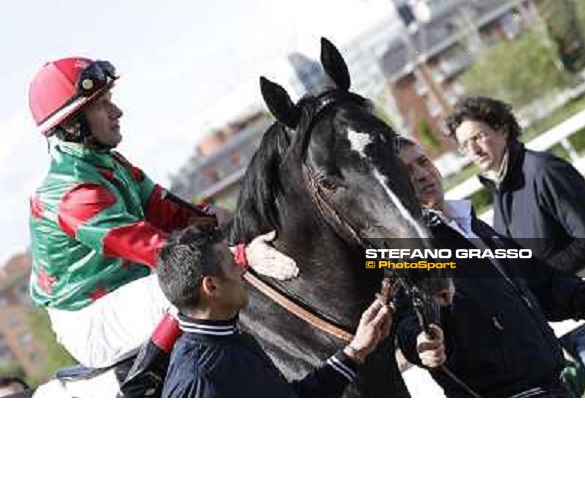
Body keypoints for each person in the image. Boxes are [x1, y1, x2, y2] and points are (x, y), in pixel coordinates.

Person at [28, 57, 298, 370]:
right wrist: (243, 256)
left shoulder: (109, 163)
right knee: (204, 282)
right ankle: (155, 385)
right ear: (73, 124)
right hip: (91, 318)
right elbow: (163, 255)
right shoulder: (71, 193)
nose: (117, 112)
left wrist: (221, 221)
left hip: (130, 288)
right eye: (102, 104)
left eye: (110, 100)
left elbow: (169, 212)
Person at [395, 138, 585, 397]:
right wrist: (419, 342)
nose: (422, 175)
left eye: (422, 162)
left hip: (552, 385)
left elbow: (544, 284)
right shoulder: (407, 250)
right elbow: (406, 320)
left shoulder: (473, 225)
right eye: (407, 172)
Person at [445, 96, 585, 391]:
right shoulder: (500, 188)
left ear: (503, 129)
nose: (474, 150)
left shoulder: (543, 170)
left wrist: (533, 278)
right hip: (563, 323)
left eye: (478, 137)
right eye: (465, 145)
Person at [157, 226, 394, 398]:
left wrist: (355, 351)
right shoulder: (199, 380)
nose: (241, 270)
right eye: (232, 264)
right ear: (211, 286)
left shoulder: (230, 338)